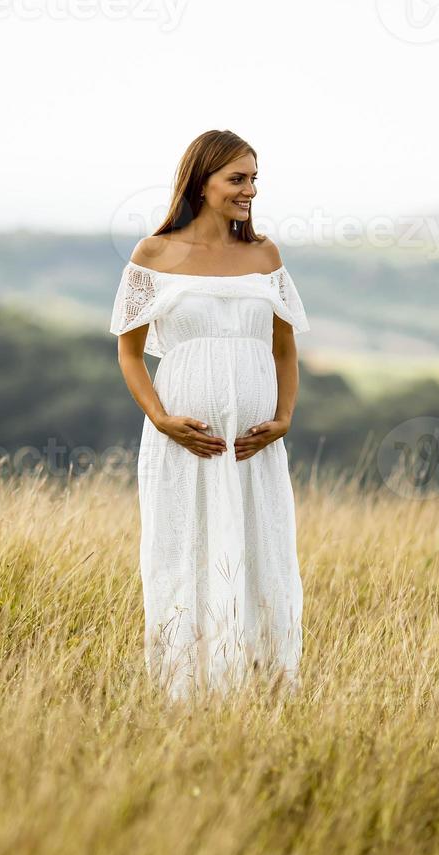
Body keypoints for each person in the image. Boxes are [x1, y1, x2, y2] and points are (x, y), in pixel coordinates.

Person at [110, 129, 311, 700]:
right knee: (186, 556)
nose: (250, 191)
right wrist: (160, 418)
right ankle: (186, 695)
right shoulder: (153, 254)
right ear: (202, 180)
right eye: (238, 179)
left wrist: (285, 417)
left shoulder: (264, 254)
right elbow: (128, 352)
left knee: (258, 557)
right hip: (183, 444)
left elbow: (284, 347)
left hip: (253, 447)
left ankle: (262, 690)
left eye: (254, 180)